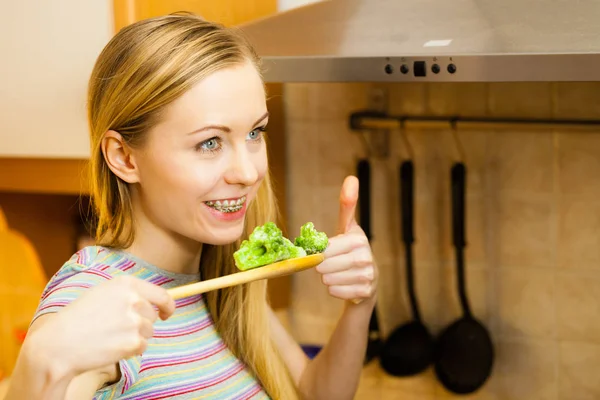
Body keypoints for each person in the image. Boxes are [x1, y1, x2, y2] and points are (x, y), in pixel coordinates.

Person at [6, 12, 378, 400]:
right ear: (125, 158)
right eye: (210, 143)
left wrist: (360, 303)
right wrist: (40, 360)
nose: (249, 172)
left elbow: (314, 394)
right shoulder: (91, 300)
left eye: (255, 132)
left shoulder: (225, 276)